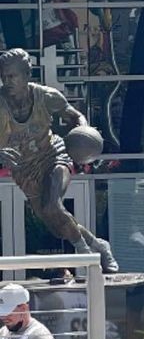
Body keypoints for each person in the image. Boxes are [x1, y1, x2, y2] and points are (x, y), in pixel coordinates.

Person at [0, 47, 117, 271]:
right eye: (4, 77)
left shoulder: (46, 96)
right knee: (56, 225)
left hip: (52, 155)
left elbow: (75, 115)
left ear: (27, 75)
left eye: (12, 76)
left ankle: (86, 255)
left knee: (53, 205)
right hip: (25, 170)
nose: (7, 81)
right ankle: (99, 245)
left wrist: (83, 132)